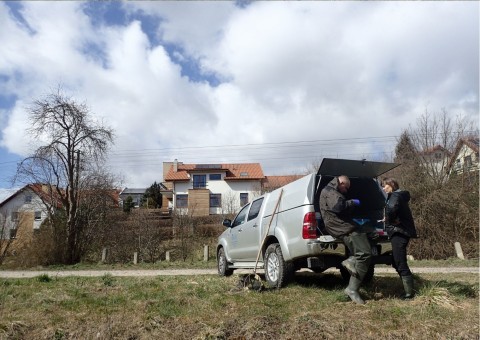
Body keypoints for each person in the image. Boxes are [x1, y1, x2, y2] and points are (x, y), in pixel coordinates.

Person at [319, 175, 371, 305]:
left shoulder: (332, 190)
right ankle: (351, 289)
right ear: (341, 182)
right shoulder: (330, 191)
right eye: (346, 187)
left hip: (340, 226)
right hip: (341, 227)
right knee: (364, 255)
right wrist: (352, 202)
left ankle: (351, 260)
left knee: (369, 237)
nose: (346, 191)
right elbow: (338, 207)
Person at [382, 177, 418, 299]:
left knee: (400, 262)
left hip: (399, 233)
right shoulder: (400, 196)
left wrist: (390, 220)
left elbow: (392, 209)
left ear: (391, 185)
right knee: (396, 261)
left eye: (384, 185)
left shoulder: (395, 196)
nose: (383, 188)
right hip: (400, 232)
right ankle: (409, 287)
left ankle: (409, 294)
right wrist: (388, 219)